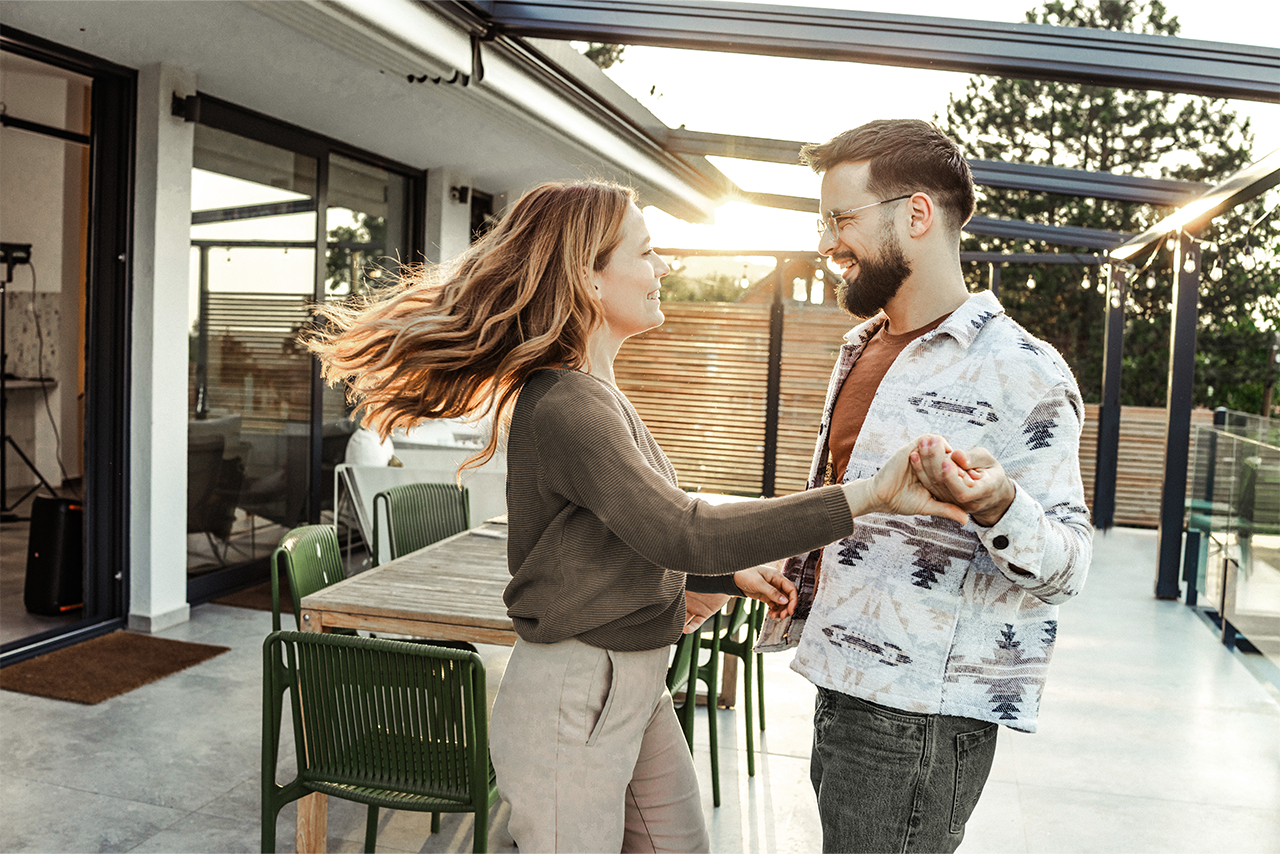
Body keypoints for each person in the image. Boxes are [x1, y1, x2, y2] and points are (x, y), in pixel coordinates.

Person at [309, 179, 966, 853]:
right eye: (646, 253)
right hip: (576, 695)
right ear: (590, 278)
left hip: (629, 682)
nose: (662, 270)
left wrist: (718, 578)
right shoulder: (570, 404)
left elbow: (615, 542)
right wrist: (868, 495)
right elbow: (682, 531)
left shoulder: (596, 394)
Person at [756, 119, 1094, 854]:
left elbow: (1070, 567)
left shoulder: (1024, 371)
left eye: (840, 219)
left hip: (920, 719)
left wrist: (1000, 504)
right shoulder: (861, 347)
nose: (825, 243)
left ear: (916, 214)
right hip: (840, 686)